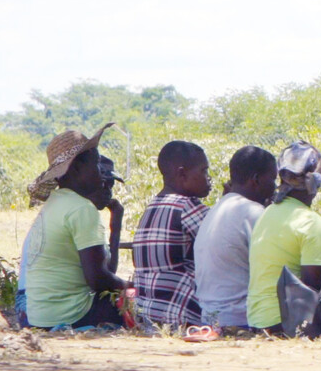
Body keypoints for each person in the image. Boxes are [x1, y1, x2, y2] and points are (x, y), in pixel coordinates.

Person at [23, 126, 129, 329]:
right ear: (76, 168)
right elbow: (98, 280)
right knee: (134, 305)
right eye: (96, 163)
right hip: (71, 314)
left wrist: (115, 226)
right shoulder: (81, 208)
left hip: (40, 317)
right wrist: (131, 286)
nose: (101, 173)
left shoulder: (56, 201)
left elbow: (103, 272)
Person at [246, 143, 321, 335]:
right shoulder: (311, 222)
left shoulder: (267, 214)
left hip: (257, 321)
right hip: (286, 325)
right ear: (315, 181)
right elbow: (313, 290)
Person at [130, 140, 212, 331]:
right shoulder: (187, 206)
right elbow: (224, 243)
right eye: (203, 171)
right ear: (182, 174)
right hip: (181, 312)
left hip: (148, 313)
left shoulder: (152, 206)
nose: (208, 178)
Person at [193, 146, 277, 330]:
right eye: (272, 179)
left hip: (209, 317)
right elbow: (275, 271)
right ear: (256, 180)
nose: (275, 187)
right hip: (240, 318)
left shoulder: (217, 209)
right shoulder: (255, 213)